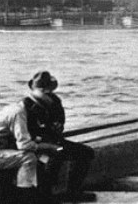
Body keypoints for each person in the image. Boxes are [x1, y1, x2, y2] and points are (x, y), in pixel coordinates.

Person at [0, 81, 55, 204]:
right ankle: (25, 197)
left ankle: (35, 193)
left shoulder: (18, 108)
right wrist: (49, 146)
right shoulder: (19, 114)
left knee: (41, 157)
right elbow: (24, 145)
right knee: (28, 158)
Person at [23, 71, 95, 203]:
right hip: (36, 146)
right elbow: (26, 135)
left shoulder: (55, 101)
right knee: (52, 157)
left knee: (85, 153)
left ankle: (72, 192)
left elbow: (60, 121)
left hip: (55, 143)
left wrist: (58, 126)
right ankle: (46, 197)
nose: (46, 93)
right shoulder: (25, 106)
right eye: (43, 90)